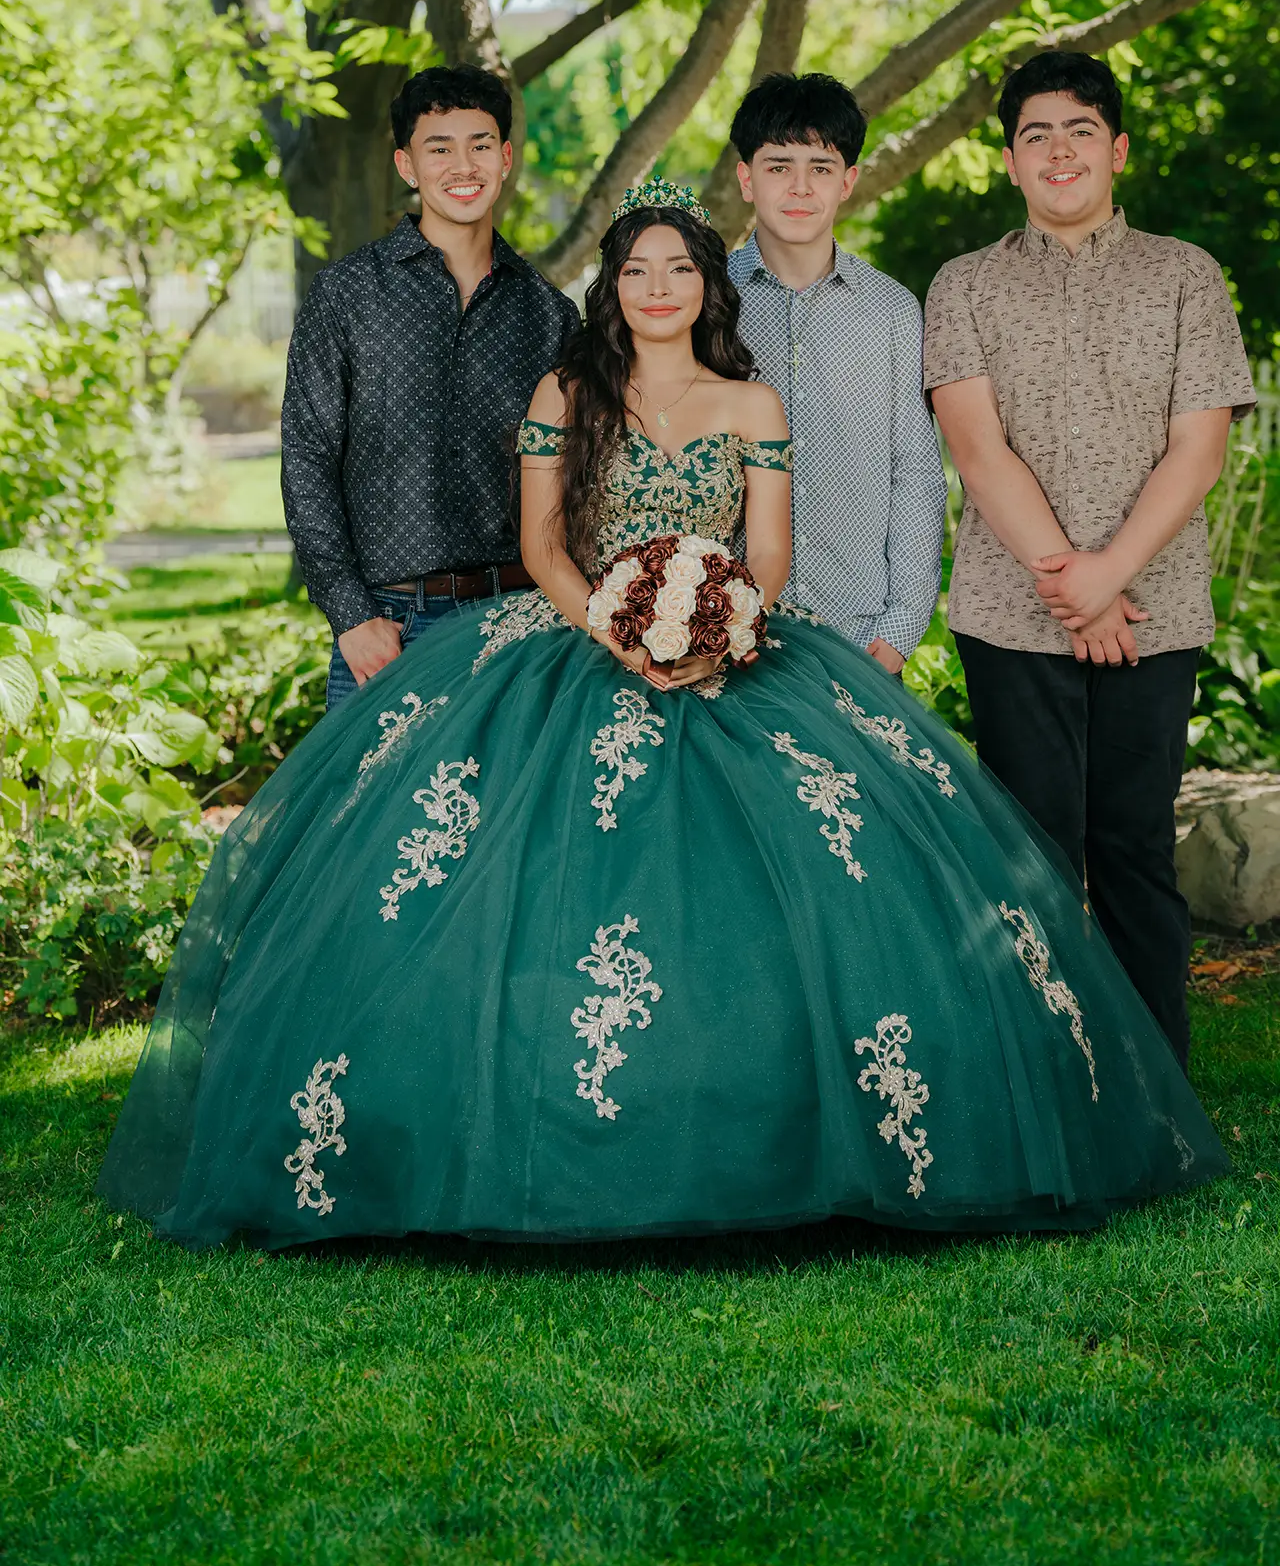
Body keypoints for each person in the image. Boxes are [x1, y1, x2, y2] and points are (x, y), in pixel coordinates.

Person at [98, 179, 1226, 1251]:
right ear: (612, 287)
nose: (655, 288)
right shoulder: (564, 393)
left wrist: (721, 625)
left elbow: (770, 553)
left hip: (737, 651)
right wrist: (616, 626)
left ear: (705, 285)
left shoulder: (751, 402)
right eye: (635, 270)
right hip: (572, 645)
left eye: (677, 268)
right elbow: (539, 544)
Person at [924, 51, 1256, 1070]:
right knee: (1029, 853)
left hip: (1150, 615)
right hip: (1007, 613)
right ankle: (1041, 1079)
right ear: (1009, 161)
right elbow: (975, 450)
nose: (1057, 150)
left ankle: (1152, 1082)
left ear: (1113, 148)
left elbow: (1198, 447)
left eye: (1077, 131)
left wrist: (1112, 573)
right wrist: (1078, 585)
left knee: (1130, 849)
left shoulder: (1182, 277)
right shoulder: (963, 284)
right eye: (1034, 134)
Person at [282, 64, 579, 711]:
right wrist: (350, 615)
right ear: (407, 166)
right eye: (438, 149)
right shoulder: (348, 296)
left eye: (479, 145)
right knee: (376, 815)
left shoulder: (550, 316)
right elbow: (306, 459)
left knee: (512, 814)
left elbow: (577, 480)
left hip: (523, 625)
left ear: (504, 159)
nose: (461, 165)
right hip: (390, 630)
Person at [727, 72, 948, 672]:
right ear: (746, 179)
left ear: (848, 181)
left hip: (857, 634)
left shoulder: (893, 311)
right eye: (778, 166)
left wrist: (901, 628)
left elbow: (917, 475)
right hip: (723, 629)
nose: (800, 187)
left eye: (820, 167)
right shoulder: (705, 302)